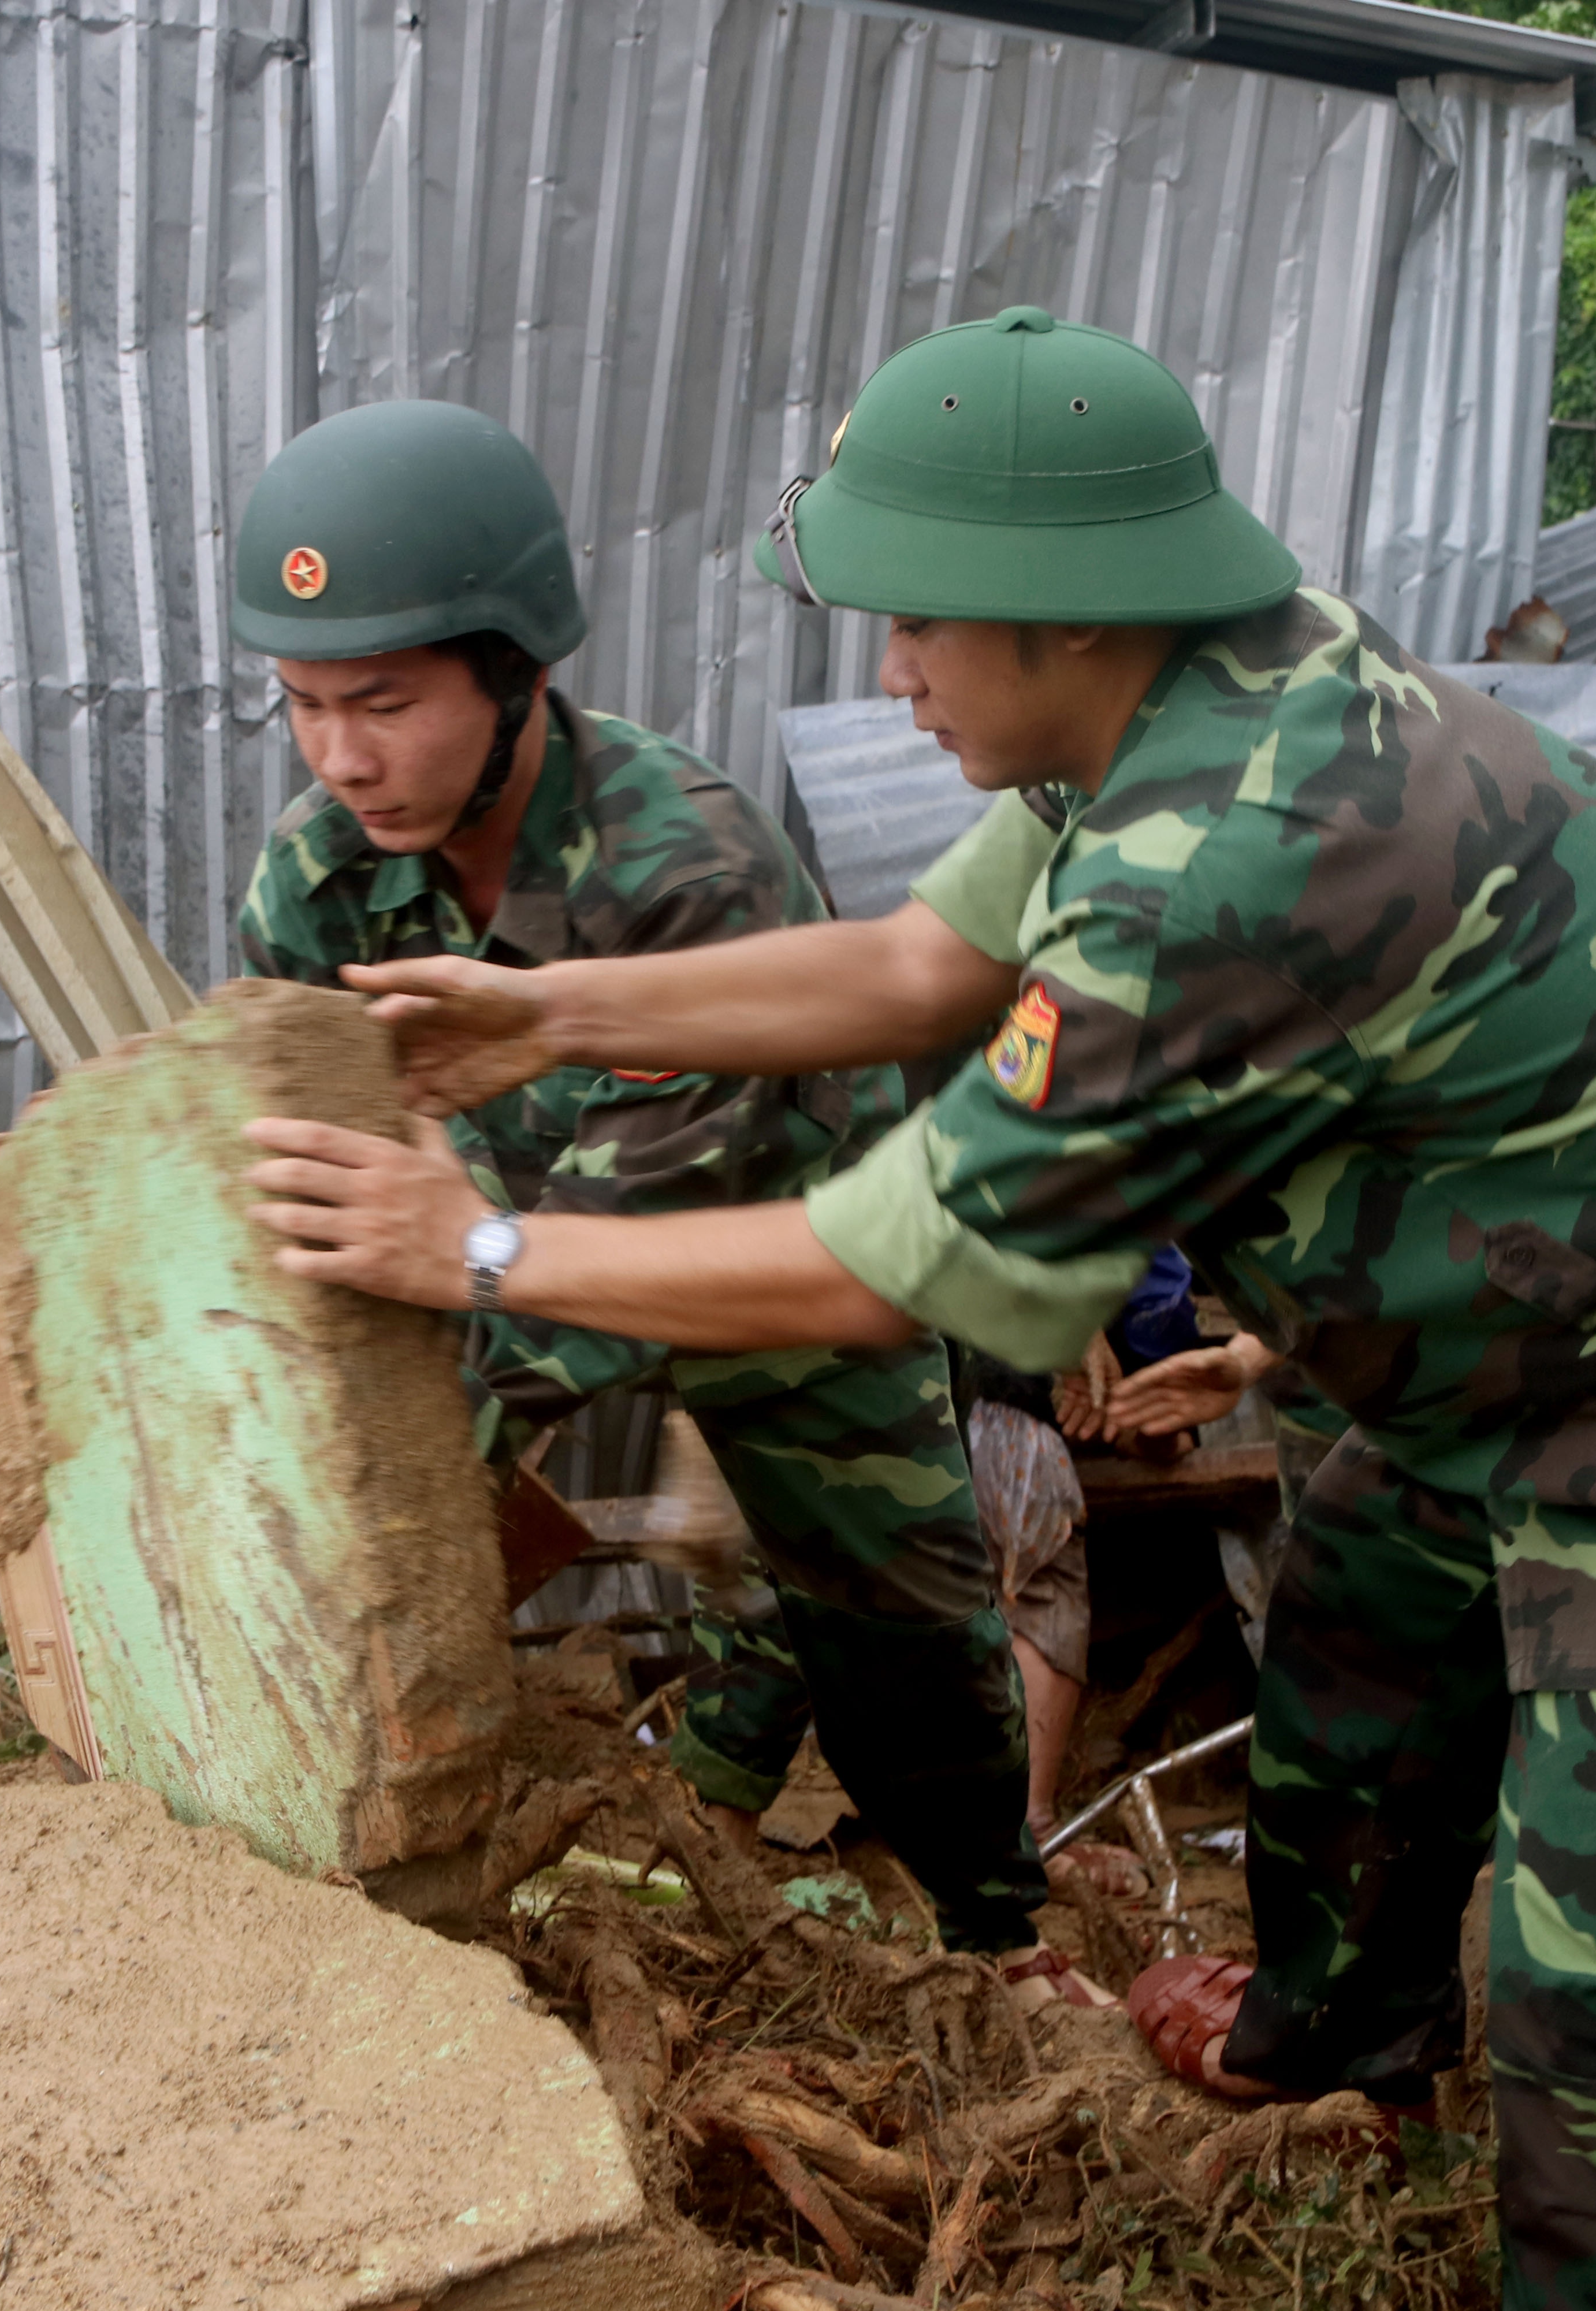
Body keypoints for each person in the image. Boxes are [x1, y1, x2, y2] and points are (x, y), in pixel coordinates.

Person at [236, 308, 1596, 2309]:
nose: (891, 672)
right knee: (1367, 1614)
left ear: (1065, 610)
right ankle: (1336, 2043)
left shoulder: (1235, 849)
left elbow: (890, 1263)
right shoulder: (1186, 700)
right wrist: (552, 1009)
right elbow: (929, 966)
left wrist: (478, 1251)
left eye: (923, 623)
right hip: (1559, 1355)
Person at [219, 397, 1069, 1986]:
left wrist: (420, 1424)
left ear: (517, 669)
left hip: (773, 1257)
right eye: (304, 706)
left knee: (893, 1620)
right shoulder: (317, 877)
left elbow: (614, 1263)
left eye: (387, 703)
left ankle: (996, 1939)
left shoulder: (689, 863)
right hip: (474, 1249)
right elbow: (306, 1147)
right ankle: (674, 1826)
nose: (344, 758)